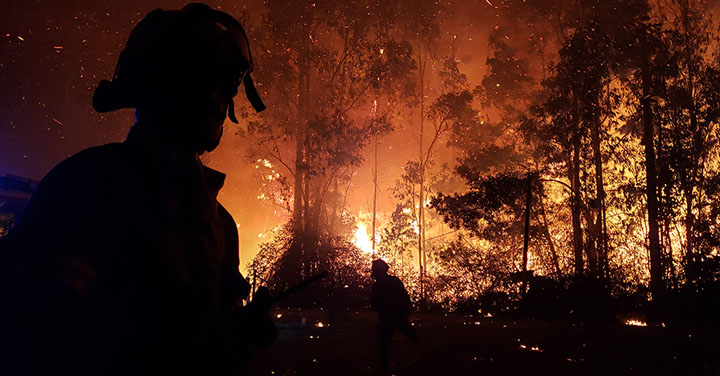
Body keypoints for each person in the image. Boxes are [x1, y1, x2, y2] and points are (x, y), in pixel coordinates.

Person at [0, 3, 271, 375]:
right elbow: (34, 335)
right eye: (198, 80)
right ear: (156, 86)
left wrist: (237, 334)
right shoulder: (86, 191)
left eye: (224, 85)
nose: (215, 99)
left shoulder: (218, 223)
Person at [370, 259, 418, 375]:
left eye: (376, 273)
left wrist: (403, 311)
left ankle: (389, 367)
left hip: (394, 316)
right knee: (386, 341)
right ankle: (389, 365)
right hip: (393, 316)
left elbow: (376, 303)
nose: (376, 276)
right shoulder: (390, 282)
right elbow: (376, 303)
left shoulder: (383, 285)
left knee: (385, 341)